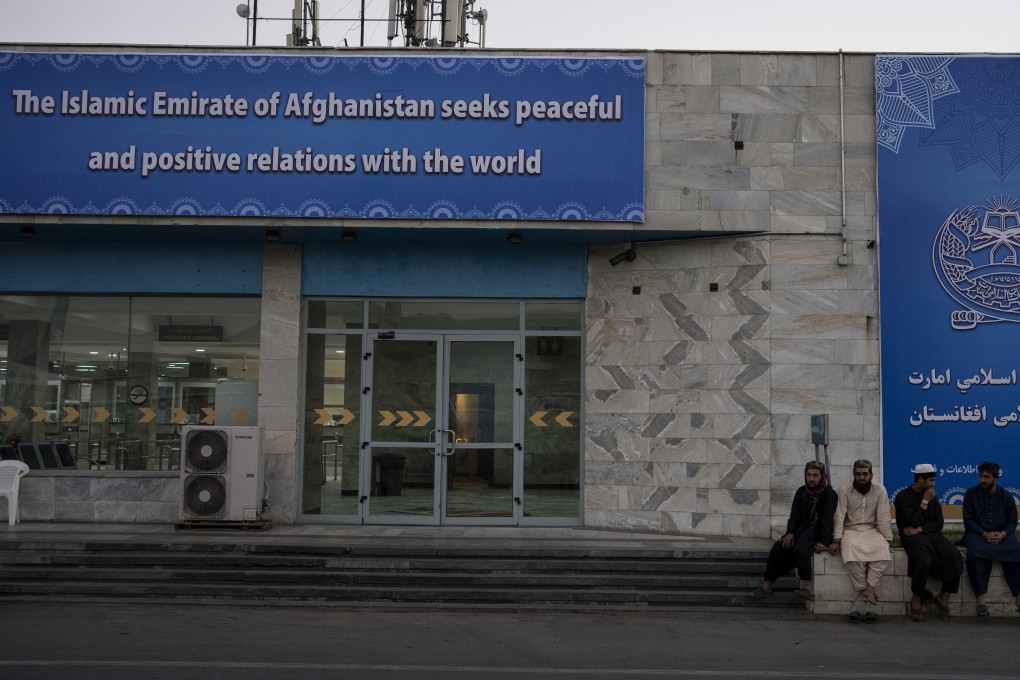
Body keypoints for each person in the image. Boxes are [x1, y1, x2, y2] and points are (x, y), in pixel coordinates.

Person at [749, 460, 837, 602]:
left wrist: (823, 541)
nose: (811, 479)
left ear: (822, 476)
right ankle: (767, 587)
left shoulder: (829, 494)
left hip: (816, 531)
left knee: (801, 549)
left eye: (815, 475)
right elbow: (794, 516)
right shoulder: (802, 491)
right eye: (808, 475)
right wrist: (790, 533)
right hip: (800, 530)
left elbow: (827, 521)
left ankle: (808, 588)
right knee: (778, 548)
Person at [893, 463, 963, 621]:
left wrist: (921, 529)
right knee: (924, 561)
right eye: (931, 480)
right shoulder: (903, 497)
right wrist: (924, 502)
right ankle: (916, 599)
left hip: (930, 535)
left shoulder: (931, 495)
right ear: (920, 479)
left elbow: (939, 523)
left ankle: (943, 598)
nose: (933, 484)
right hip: (912, 539)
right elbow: (911, 521)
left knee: (955, 556)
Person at [830, 459, 893, 623]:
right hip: (851, 529)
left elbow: (884, 516)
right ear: (853, 475)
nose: (862, 477)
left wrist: (888, 538)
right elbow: (839, 516)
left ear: (871, 474)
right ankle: (865, 588)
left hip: (872, 530)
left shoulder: (880, 490)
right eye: (858, 474)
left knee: (883, 552)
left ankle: (869, 587)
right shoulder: (845, 490)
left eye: (865, 474)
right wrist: (837, 540)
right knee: (850, 553)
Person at [962, 461, 1020, 617]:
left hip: (1002, 535)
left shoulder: (1006, 496)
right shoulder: (970, 494)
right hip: (978, 535)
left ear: (996, 478)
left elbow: (1012, 522)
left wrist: (1002, 534)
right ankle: (981, 602)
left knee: (1016, 550)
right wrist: (984, 534)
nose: (982, 480)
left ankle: (1019, 598)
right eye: (980, 476)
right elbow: (968, 521)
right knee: (975, 552)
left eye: (986, 477)